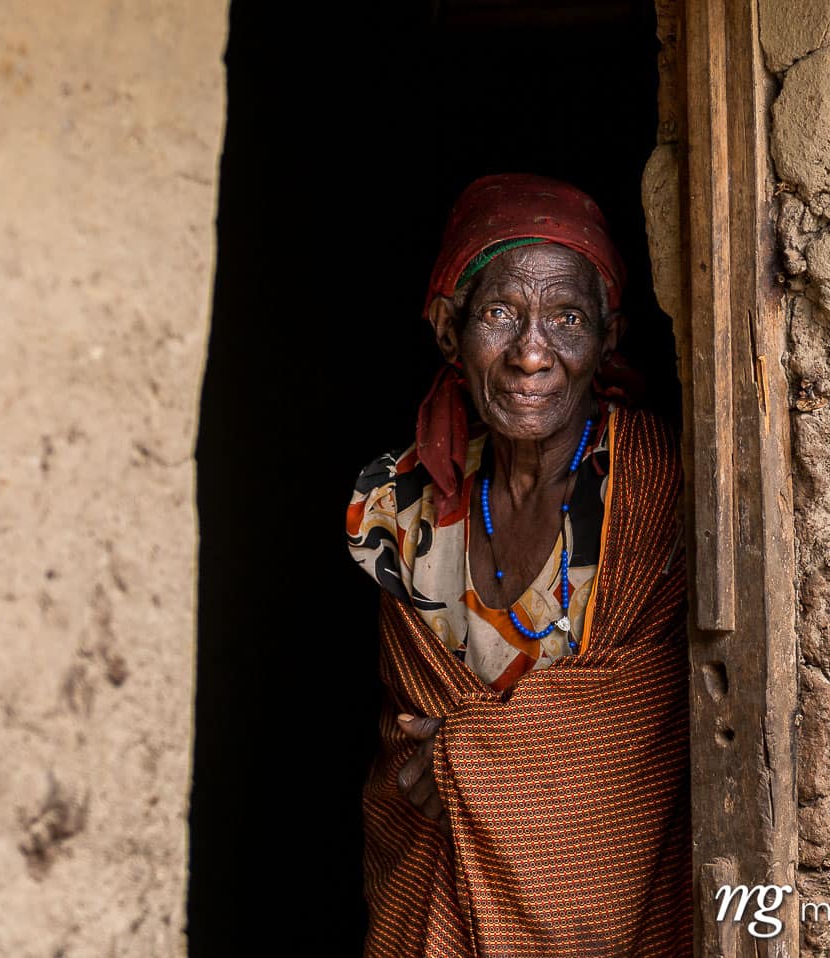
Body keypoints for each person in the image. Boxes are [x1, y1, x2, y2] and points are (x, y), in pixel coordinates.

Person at [347, 174, 691, 957]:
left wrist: (468, 761)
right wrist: (457, 761)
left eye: (567, 317)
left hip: (615, 915)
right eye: (500, 312)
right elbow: (407, 747)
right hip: (438, 904)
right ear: (447, 329)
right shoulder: (400, 510)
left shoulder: (654, 490)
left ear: (608, 336)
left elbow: (658, 714)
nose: (532, 352)